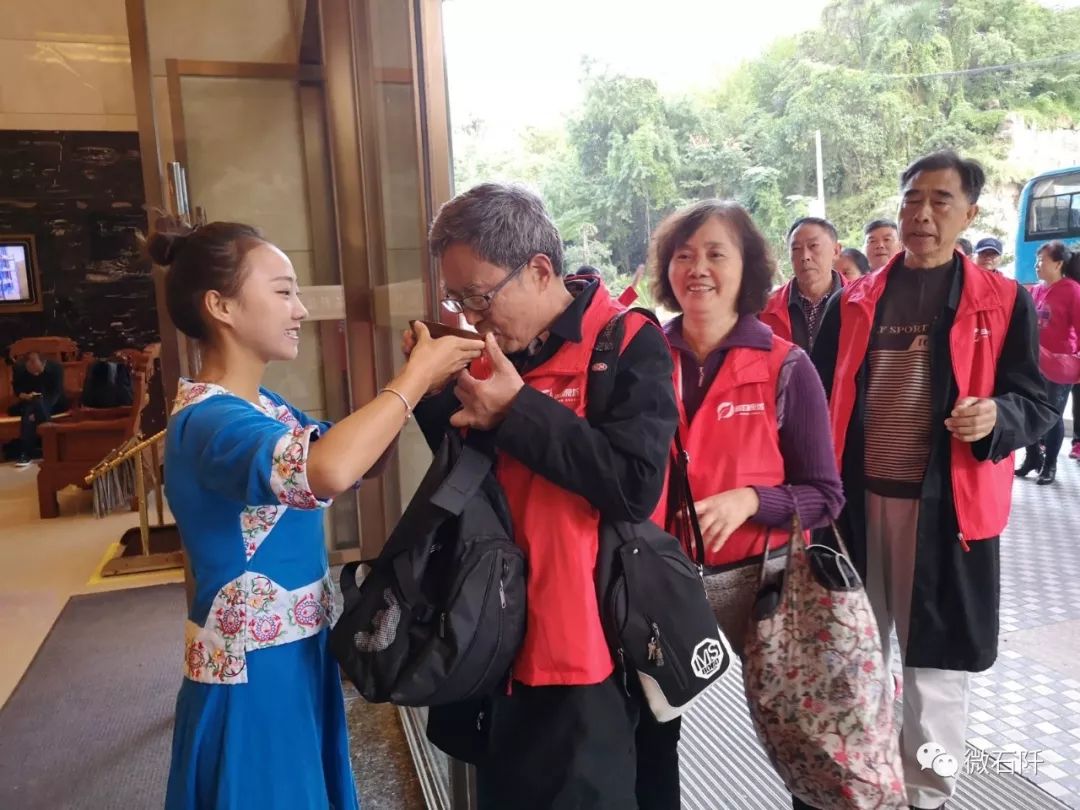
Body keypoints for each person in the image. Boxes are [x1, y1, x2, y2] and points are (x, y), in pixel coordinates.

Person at [153, 217, 483, 810]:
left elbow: (349, 462)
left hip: (293, 657)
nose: (300, 309)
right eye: (282, 291)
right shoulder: (209, 422)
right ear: (220, 306)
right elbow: (325, 470)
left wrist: (425, 385)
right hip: (251, 675)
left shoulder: (263, 407)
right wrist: (410, 382)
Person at [402, 183, 678, 810]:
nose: (472, 316)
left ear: (540, 270)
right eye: (459, 299)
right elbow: (474, 480)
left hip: (580, 651)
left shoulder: (626, 344)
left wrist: (517, 409)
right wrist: (434, 393)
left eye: (480, 296)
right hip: (489, 637)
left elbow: (633, 487)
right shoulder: (500, 353)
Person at [810, 151, 1056, 810]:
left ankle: (926, 797)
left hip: (948, 515)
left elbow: (1038, 398)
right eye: (912, 198)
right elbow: (811, 400)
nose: (921, 213)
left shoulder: (1003, 302)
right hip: (854, 511)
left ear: (969, 213)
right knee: (851, 663)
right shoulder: (852, 301)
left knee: (934, 678)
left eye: (940, 200)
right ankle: (858, 789)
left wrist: (997, 416)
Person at [642, 200, 844, 810]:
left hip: (762, 579)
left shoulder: (787, 365)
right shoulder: (642, 357)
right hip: (661, 579)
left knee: (801, 731)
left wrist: (752, 500)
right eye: (683, 255)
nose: (697, 267)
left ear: (747, 268)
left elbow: (825, 496)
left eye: (714, 253)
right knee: (648, 730)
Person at [1015, 241, 1080, 484]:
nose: (1037, 265)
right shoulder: (1036, 290)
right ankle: (1033, 458)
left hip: (1059, 367)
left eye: (1042, 260)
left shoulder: (1072, 290)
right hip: (1033, 363)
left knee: (1052, 416)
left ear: (1059, 263)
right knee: (1027, 411)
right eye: (1037, 260)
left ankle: (1050, 466)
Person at [759, 217, 845, 352]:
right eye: (796, 248)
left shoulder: (860, 302)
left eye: (813, 246)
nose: (805, 256)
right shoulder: (765, 308)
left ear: (836, 251)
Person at [8, 350, 67, 467]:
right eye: (30, 366)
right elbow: (18, 391)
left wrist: (39, 408)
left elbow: (56, 393)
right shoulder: (20, 369)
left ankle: (25, 453)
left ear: (43, 362)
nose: (33, 369)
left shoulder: (56, 368)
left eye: (35, 365)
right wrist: (25, 396)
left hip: (54, 403)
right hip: (29, 402)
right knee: (30, 409)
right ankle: (52, 450)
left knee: (31, 411)